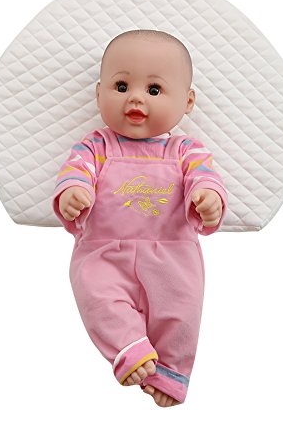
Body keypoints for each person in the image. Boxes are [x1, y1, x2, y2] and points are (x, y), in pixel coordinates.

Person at [53, 29, 228, 407]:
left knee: (180, 309)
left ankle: (171, 369)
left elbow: (205, 177)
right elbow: (76, 170)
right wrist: (73, 192)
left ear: (187, 102)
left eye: (154, 89)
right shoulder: (96, 146)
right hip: (103, 250)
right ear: (98, 95)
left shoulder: (185, 150)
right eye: (121, 86)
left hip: (172, 251)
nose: (135, 97)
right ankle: (128, 345)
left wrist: (209, 198)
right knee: (97, 295)